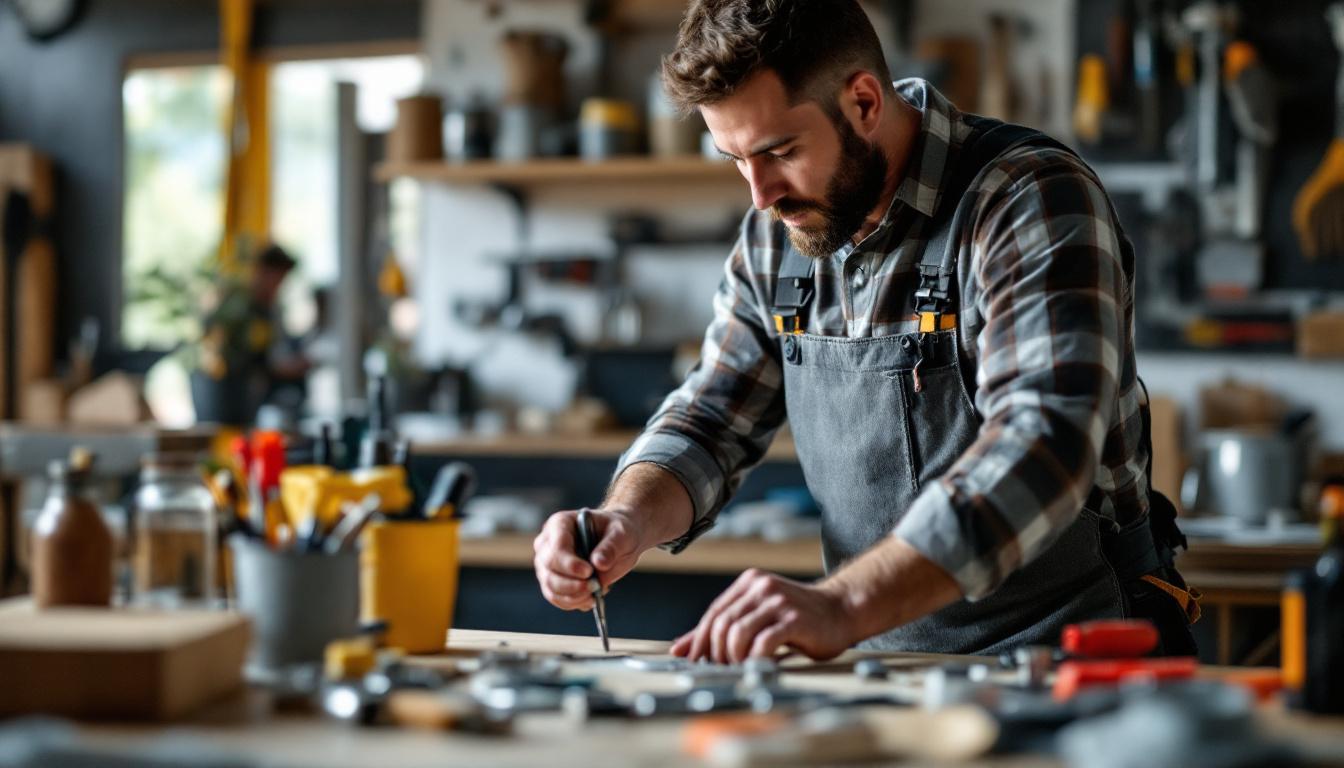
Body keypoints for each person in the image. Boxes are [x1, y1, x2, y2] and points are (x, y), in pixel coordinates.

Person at [533, 0, 1199, 662]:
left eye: (780, 151)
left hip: (1074, 653)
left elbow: (1044, 445)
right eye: (736, 158)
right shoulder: (778, 234)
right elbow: (712, 420)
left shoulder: (1026, 197)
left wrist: (843, 603)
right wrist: (626, 517)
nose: (760, 194)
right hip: (880, 662)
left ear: (863, 103)